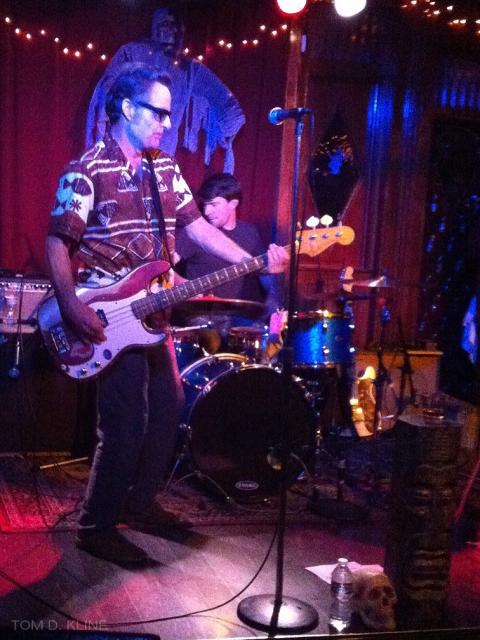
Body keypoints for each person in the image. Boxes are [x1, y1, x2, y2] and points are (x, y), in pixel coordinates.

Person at [45, 66, 288, 566]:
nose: (166, 123)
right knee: (125, 423)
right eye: (157, 112)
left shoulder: (165, 169)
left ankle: (138, 504)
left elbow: (197, 230)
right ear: (126, 108)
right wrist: (71, 305)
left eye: (168, 114)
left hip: (154, 315)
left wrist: (253, 261)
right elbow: (57, 242)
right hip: (109, 316)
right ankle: (95, 526)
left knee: (169, 409)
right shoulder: (86, 170)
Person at [86, 7, 245, 173]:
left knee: (154, 180)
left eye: (175, 26)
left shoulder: (187, 68)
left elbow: (219, 95)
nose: (171, 31)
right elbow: (108, 86)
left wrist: (232, 120)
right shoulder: (131, 52)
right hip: (127, 139)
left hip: (162, 147)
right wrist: (116, 113)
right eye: (166, 24)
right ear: (155, 26)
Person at [174, 173, 282, 353]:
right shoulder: (194, 234)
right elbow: (164, 268)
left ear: (233, 203)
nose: (206, 212)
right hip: (202, 317)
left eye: (214, 204)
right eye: (205, 205)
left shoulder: (250, 232)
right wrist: (180, 282)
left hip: (238, 316)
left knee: (268, 342)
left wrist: (273, 296)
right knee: (212, 341)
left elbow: (263, 274)